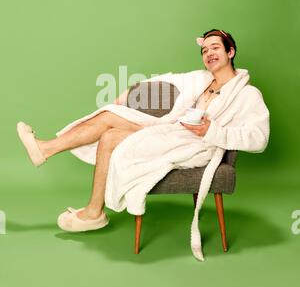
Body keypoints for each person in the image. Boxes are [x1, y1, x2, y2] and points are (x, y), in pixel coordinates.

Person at [17, 29, 270, 260]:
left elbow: (259, 138)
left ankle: (57, 164)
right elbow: (167, 83)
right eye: (205, 50)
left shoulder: (248, 94)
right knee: (108, 125)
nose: (209, 53)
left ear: (230, 51)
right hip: (173, 131)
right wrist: (128, 95)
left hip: (195, 146)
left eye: (215, 47)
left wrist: (212, 130)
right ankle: (88, 205)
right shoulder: (201, 79)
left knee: (109, 130)